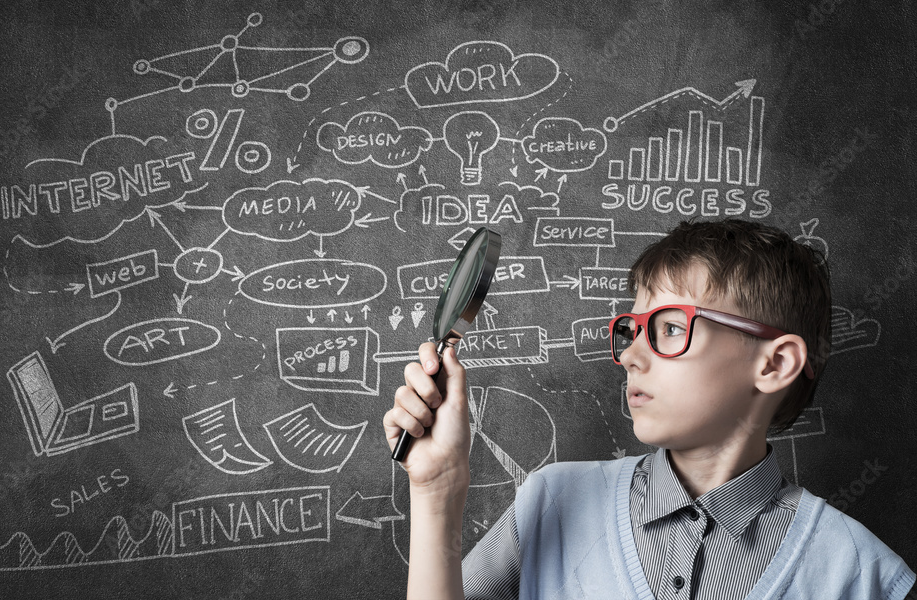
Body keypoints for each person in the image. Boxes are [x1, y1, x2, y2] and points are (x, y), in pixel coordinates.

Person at [383, 219, 915, 599]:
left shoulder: (860, 574)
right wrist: (436, 492)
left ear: (774, 365)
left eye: (669, 329)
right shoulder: (550, 502)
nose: (631, 356)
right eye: (631, 332)